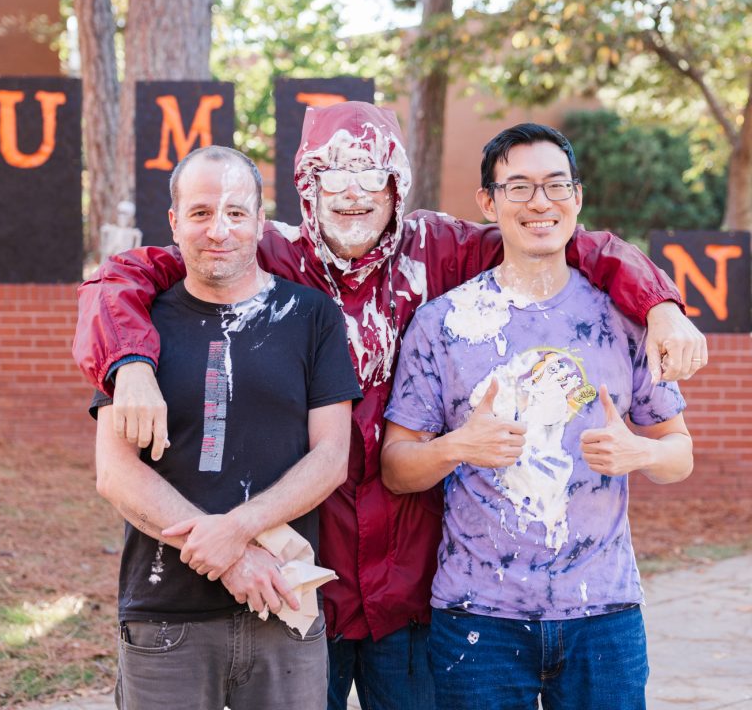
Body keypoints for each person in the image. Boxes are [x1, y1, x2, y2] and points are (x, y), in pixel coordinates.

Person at [73, 102, 707, 710]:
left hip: (414, 588)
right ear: (306, 185)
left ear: (397, 182)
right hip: (304, 578)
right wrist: (128, 362)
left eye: (371, 173)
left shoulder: (443, 250)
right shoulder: (263, 252)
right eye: (333, 174)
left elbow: (562, 240)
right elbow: (125, 277)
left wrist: (658, 304)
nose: (353, 192)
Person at [381, 123, 694, 709]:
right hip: (478, 621)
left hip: (604, 615)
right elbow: (397, 468)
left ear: (577, 197)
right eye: (518, 187)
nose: (539, 203)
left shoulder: (626, 319)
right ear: (488, 202)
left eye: (555, 185)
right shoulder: (444, 323)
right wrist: (458, 446)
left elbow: (680, 452)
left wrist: (642, 453)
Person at [92, 145, 361, 709]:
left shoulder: (312, 316)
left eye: (236, 213)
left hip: (283, 606)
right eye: (200, 212)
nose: (219, 230)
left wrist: (238, 530)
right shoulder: (137, 329)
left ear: (261, 222)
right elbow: (115, 474)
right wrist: (232, 557)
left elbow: (332, 456)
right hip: (165, 619)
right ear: (174, 222)